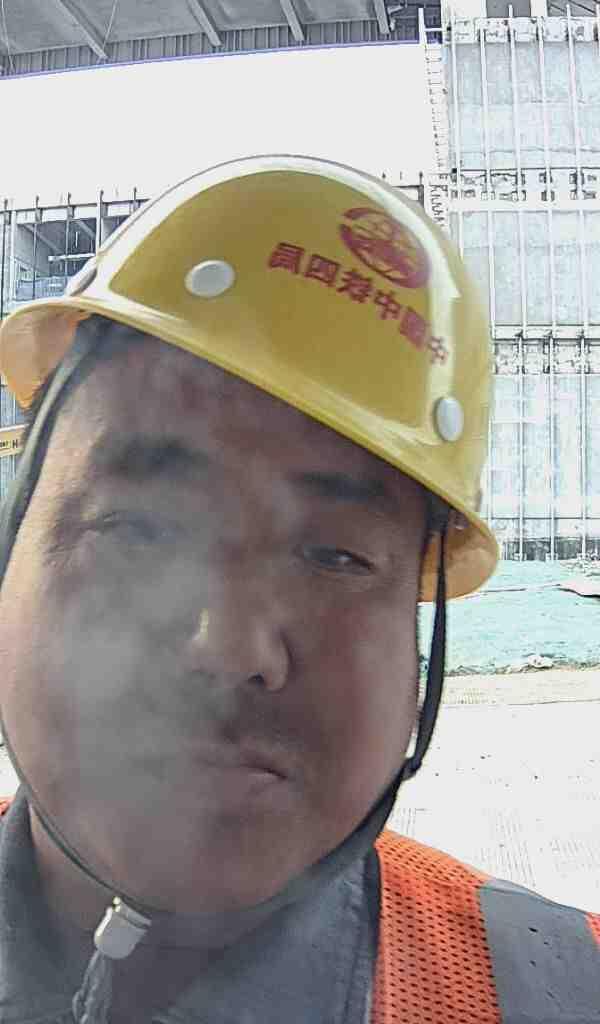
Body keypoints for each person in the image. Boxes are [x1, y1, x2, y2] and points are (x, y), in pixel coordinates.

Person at [0, 156, 597, 1024]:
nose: (228, 648)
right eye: (139, 530)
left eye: (337, 556)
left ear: (418, 649)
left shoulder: (557, 994)